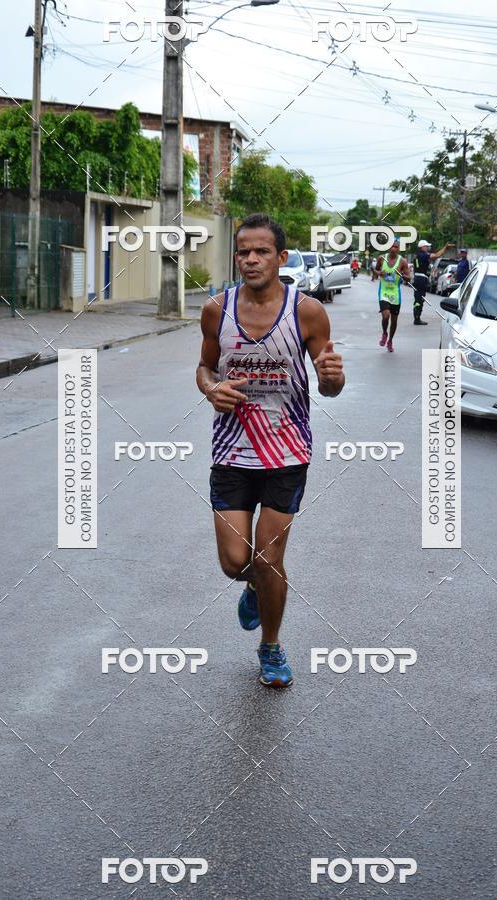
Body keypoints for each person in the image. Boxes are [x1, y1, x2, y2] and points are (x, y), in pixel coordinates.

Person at [196, 212, 345, 688]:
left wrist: (333, 379)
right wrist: (210, 388)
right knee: (235, 562)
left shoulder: (308, 312)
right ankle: (255, 592)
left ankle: (272, 648)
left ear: (282, 258)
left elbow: (330, 385)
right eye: (243, 251)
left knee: (268, 559)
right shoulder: (216, 310)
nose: (251, 259)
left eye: (262, 251)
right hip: (231, 451)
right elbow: (204, 368)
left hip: (286, 451)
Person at [374, 238, 411, 353]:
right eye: (392, 246)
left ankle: (390, 340)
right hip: (384, 292)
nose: (393, 249)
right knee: (386, 316)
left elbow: (409, 278)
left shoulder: (402, 261)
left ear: (399, 249)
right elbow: (375, 270)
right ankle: (384, 333)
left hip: (395, 293)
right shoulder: (381, 258)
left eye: (396, 247)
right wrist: (379, 273)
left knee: (394, 321)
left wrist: (401, 275)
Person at [412, 239, 455, 325]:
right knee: (420, 299)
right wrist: (445, 248)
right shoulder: (423, 255)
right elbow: (437, 255)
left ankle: (416, 317)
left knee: (417, 299)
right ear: (422, 247)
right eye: (426, 246)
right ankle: (417, 319)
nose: (428, 248)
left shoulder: (417, 255)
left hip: (417, 278)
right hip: (421, 279)